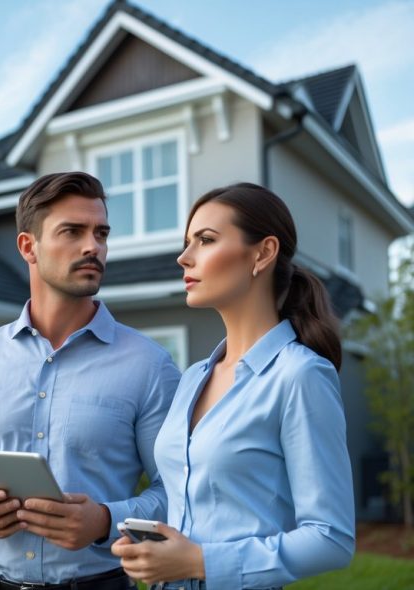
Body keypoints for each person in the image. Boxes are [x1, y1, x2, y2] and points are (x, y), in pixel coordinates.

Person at [0, 172, 181, 590]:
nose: (92, 246)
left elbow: (179, 491)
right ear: (29, 247)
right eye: (72, 232)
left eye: (101, 233)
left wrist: (104, 521)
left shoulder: (149, 365)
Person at [111, 183, 355, 589]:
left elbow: (331, 538)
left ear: (263, 253)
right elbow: (184, 500)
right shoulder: (192, 379)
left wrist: (200, 561)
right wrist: (150, 545)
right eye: (187, 242)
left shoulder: (300, 376)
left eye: (205, 240)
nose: (183, 257)